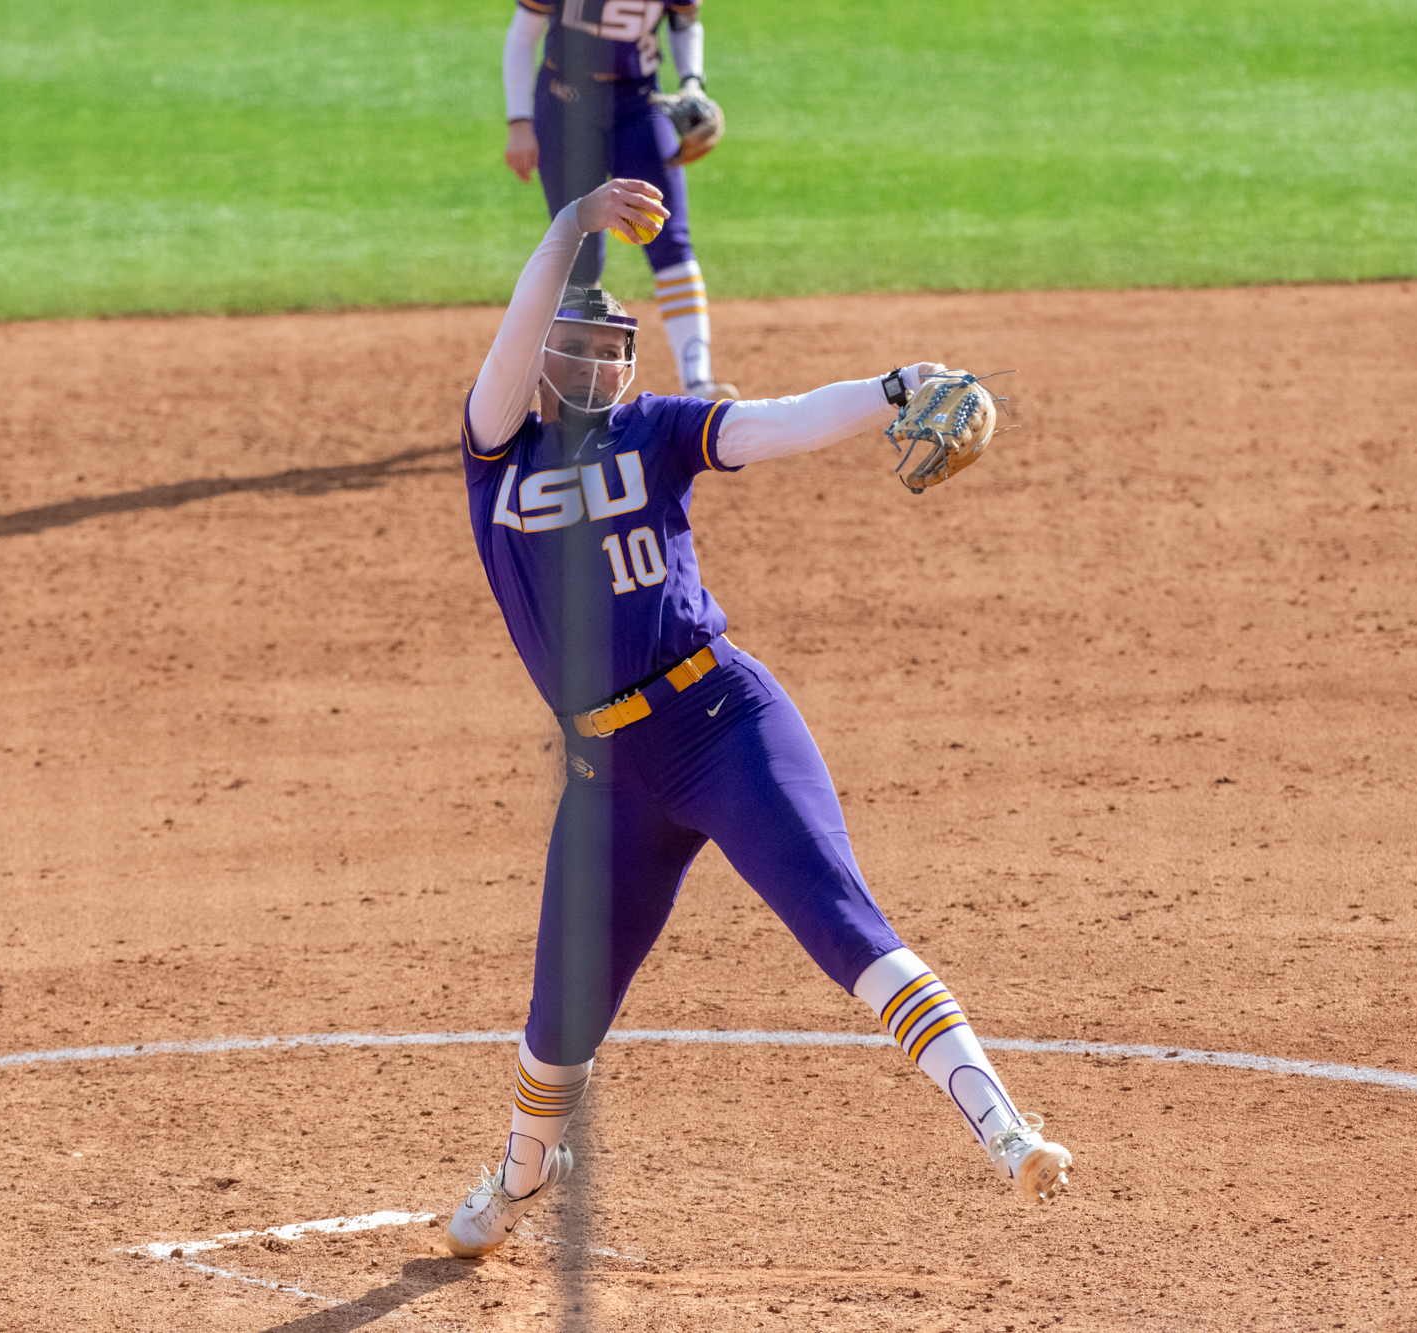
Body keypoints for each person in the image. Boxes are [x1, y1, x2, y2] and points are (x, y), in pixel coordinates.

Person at [442, 178, 1074, 1259]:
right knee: (559, 1020)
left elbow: (778, 423)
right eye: (574, 349)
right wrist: (571, 225)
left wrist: (897, 386)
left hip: (721, 721)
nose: (594, 367)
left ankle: (1004, 1128)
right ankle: (520, 1169)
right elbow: (509, 339)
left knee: (838, 919)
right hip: (607, 777)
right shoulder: (498, 452)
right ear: (541, 362)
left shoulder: (658, 431)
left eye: (611, 351)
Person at [500, 0, 737, 399]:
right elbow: (523, 35)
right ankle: (574, 392)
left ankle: (698, 382)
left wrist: (693, 83)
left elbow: (684, 21)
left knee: (670, 237)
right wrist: (519, 122)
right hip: (565, 104)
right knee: (581, 253)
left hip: (640, 104)